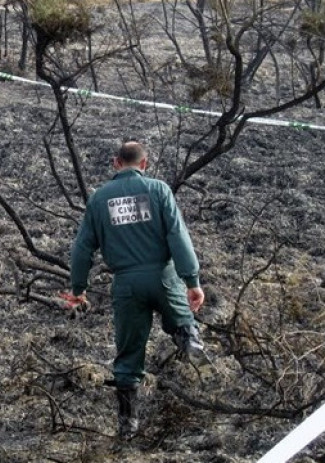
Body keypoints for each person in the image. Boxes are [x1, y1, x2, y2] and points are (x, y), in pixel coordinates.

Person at [61, 141, 205, 440]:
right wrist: (192, 281)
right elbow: (178, 235)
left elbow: (82, 248)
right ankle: (187, 334)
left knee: (128, 356)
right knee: (181, 317)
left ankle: (128, 423)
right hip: (162, 276)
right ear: (144, 164)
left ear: (116, 163)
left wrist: (79, 288)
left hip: (126, 284)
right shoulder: (159, 190)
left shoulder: (100, 199)